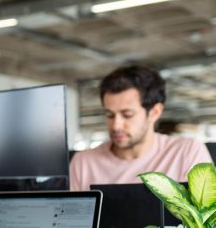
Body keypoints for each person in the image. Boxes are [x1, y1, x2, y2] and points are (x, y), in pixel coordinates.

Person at [70, 65, 211, 191]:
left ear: (155, 112)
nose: (116, 125)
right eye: (110, 115)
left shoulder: (186, 152)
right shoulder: (84, 162)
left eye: (127, 115)